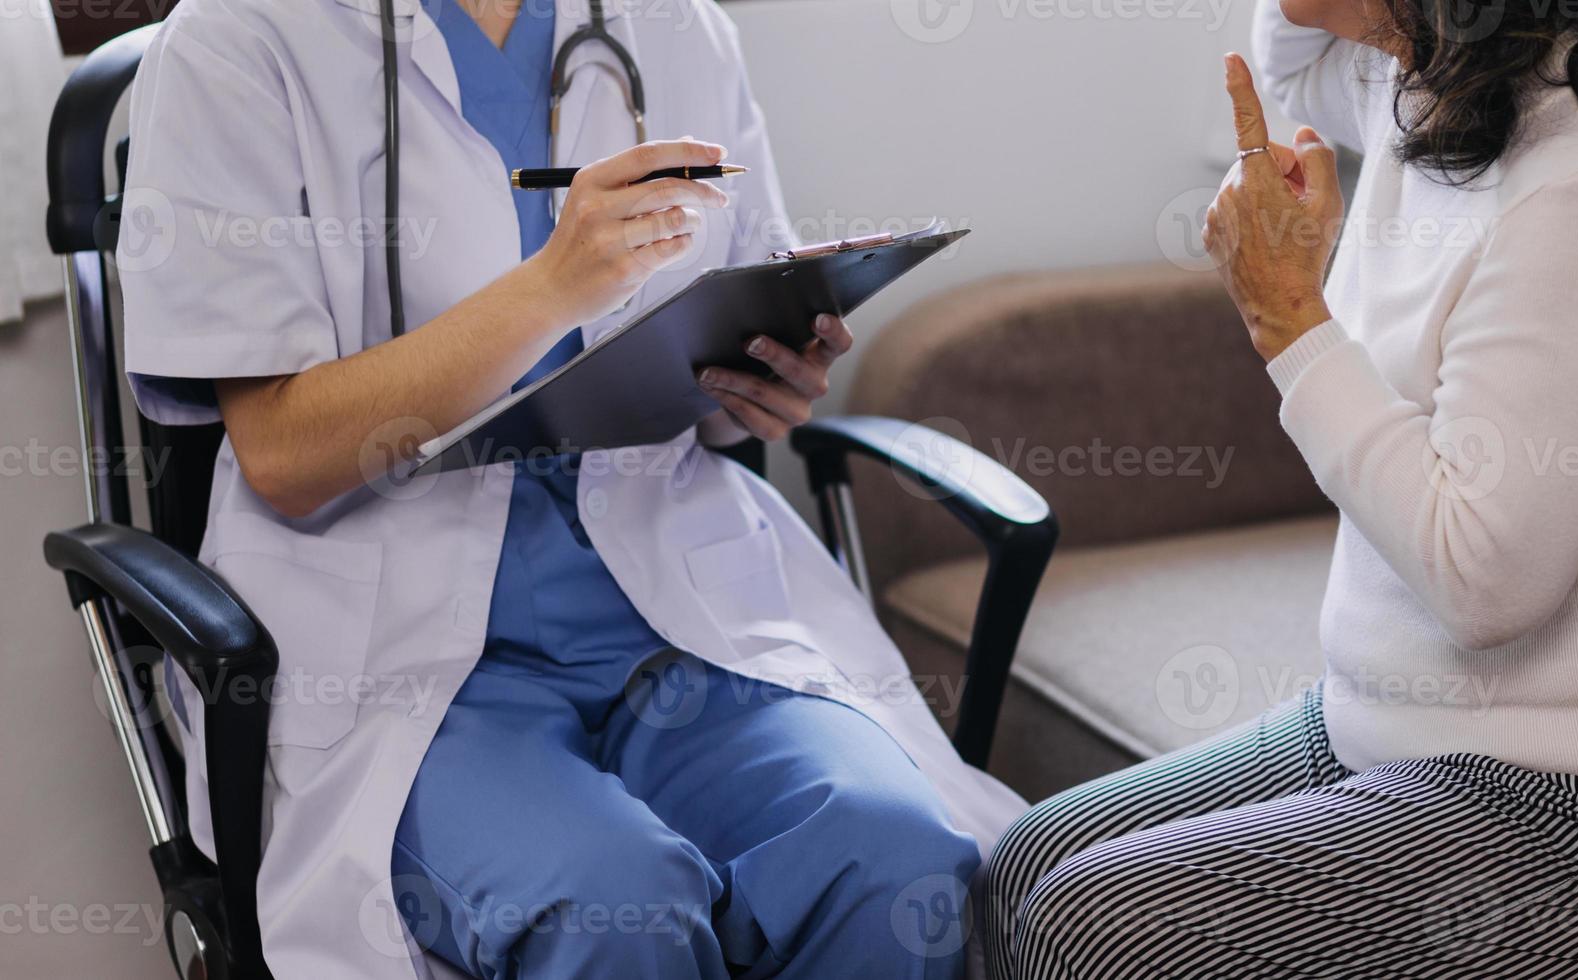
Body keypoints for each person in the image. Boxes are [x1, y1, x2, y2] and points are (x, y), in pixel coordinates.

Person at [116, 0, 1024, 977]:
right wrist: (554, 283)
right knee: (615, 907)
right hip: (396, 647)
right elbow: (284, 453)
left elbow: (718, 329)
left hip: (671, 605)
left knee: (892, 861)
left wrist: (756, 380)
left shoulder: (675, 26)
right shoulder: (237, 39)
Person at [979, 1, 1578, 976]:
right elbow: (1291, 62)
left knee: (1086, 922)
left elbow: (1486, 584)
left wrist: (1291, 321)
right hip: (1394, 730)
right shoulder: (1428, 83)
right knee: (1023, 864)